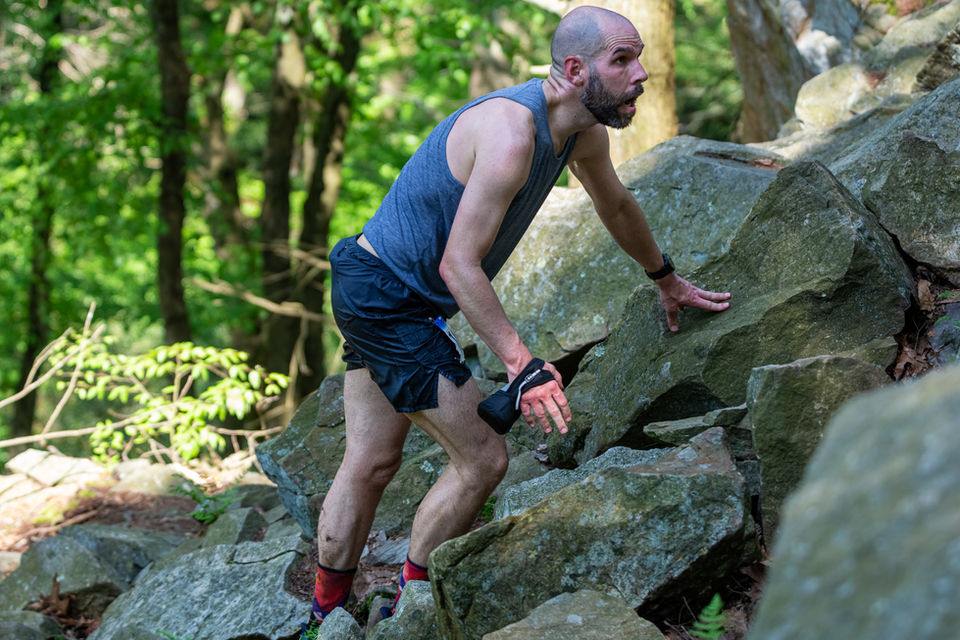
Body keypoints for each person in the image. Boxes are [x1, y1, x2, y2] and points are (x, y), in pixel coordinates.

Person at [298, 5, 731, 637]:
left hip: (383, 290)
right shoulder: (510, 134)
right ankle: (408, 611)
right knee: (483, 460)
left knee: (370, 461)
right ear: (576, 70)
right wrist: (521, 365)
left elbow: (615, 204)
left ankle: (324, 616)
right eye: (622, 60)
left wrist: (665, 278)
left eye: (639, 57)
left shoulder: (582, 133)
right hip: (387, 298)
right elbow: (458, 264)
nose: (642, 73)